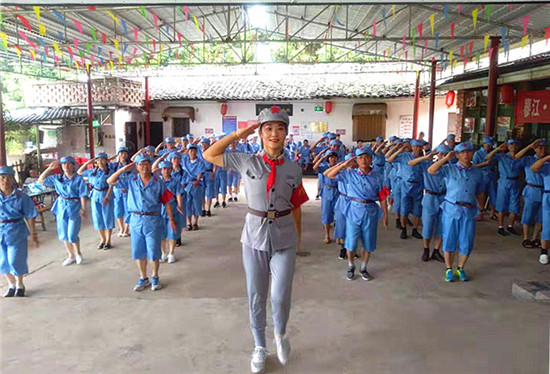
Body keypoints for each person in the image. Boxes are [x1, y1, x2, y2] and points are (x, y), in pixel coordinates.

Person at [203, 105, 309, 373]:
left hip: (285, 236)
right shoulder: (246, 161)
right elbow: (210, 154)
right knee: (256, 295)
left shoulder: (294, 169)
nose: (274, 133)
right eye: (268, 128)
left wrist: (298, 238)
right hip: (253, 236)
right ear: (261, 133)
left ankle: (280, 334)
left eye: (280, 128)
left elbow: (296, 204)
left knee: (281, 293)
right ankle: (259, 345)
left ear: (286, 133)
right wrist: (241, 133)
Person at [107, 154, 177, 291]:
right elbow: (110, 180)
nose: (144, 167)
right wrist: (123, 170)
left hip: (153, 220)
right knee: (139, 251)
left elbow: (167, 201)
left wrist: (172, 220)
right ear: (137, 167)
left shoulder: (158, 182)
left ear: (150, 166)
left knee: (153, 251)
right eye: (140, 164)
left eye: (146, 164)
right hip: (136, 220)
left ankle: (155, 277)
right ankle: (143, 278)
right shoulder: (131, 180)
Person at [324, 147, 389, 281]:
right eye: (360, 157)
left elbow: (382, 196)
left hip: (370, 210)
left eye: (366, 157)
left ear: (371, 159)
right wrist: (343, 164)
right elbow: (329, 175)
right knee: (351, 242)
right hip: (354, 210)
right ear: (356, 160)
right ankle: (351, 265)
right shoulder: (350, 173)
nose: (364, 160)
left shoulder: (378, 176)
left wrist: (385, 214)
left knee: (368, 242)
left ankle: (364, 267)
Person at [428, 142, 485, 282]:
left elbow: (480, 191)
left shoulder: (477, 172)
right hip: (451, 209)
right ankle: (448, 269)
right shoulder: (449, 169)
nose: (466, 155)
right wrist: (445, 158)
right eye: (462, 152)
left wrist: (481, 207)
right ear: (457, 155)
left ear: (472, 154)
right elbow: (431, 170)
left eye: (468, 152)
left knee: (467, 241)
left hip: (469, 210)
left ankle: (460, 268)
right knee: (449, 239)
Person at [38, 157, 88, 266]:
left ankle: (78, 253)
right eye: (64, 164)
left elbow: (83, 195)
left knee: (72, 234)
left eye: (69, 164)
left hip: (74, 206)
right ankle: (71, 255)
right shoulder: (57, 178)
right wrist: (50, 169)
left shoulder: (78, 179)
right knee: (64, 234)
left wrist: (83, 209)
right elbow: (41, 180)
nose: (66, 166)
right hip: (61, 206)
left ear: (73, 165)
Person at [0, 165, 39, 297]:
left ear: (13, 179)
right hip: (0, 231)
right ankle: (11, 285)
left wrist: (33, 234)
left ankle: (20, 284)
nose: (5, 180)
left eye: (9, 177)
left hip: (16, 231)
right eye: (2, 177)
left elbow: (30, 215)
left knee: (15, 259)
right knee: (2, 261)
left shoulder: (21, 197)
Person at [408, 145, 449, 262]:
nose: (443, 156)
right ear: (437, 155)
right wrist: (426, 157)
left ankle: (436, 250)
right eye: (441, 154)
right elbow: (411, 163)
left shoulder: (450, 168)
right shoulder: (427, 165)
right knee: (428, 226)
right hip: (430, 198)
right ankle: (426, 249)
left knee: (442, 227)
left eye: (446, 154)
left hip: (444, 198)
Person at [386, 138, 424, 240]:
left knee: (417, 209)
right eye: (416, 147)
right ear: (412, 147)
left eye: (420, 147)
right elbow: (389, 159)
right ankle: (403, 228)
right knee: (404, 207)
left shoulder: (424, 159)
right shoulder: (404, 156)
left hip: (419, 186)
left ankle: (415, 229)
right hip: (405, 184)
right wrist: (399, 149)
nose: (418, 149)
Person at [78, 153, 116, 249]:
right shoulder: (92, 172)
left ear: (106, 161)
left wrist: (107, 197)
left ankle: (108, 240)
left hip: (106, 194)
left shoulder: (110, 172)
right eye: (98, 160)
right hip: (95, 195)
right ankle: (102, 239)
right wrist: (88, 162)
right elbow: (79, 172)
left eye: (102, 160)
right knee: (97, 218)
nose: (100, 162)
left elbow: (111, 185)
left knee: (108, 217)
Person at [486, 139, 522, 236]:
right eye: (511, 145)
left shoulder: (520, 158)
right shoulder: (502, 156)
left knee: (514, 206)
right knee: (501, 205)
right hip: (504, 182)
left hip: (515, 182)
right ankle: (500, 227)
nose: (513, 146)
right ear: (508, 147)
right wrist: (498, 149)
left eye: (515, 145)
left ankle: (510, 226)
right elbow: (488, 157)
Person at [515, 139, 547, 248]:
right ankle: (526, 238)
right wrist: (529, 146)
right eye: (540, 147)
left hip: (545, 191)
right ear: (535, 149)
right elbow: (516, 156)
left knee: (541, 217)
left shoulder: (547, 161)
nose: (543, 150)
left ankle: (534, 238)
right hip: (532, 189)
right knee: (528, 215)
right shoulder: (529, 160)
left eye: (544, 147)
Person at [154, 160, 184, 263]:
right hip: (160, 211)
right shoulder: (157, 181)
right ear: (160, 170)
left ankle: (171, 253)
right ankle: (163, 253)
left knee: (172, 233)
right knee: (161, 234)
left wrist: (180, 205)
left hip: (173, 209)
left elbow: (179, 194)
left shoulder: (175, 181)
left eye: (168, 169)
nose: (166, 171)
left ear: (171, 169)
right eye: (164, 169)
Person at [313, 151, 339, 244]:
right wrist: (322, 157)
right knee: (326, 215)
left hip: (337, 193)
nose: (333, 159)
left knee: (338, 216)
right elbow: (315, 167)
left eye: (335, 157)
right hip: (327, 192)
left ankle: (337, 236)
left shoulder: (339, 168)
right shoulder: (324, 167)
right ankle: (327, 235)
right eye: (331, 157)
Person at [530, 151, 550, 264]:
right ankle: (544, 251)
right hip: (548, 196)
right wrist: (547, 158)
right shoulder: (547, 166)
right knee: (546, 224)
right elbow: (534, 168)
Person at [472, 137, 498, 220]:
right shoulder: (478, 153)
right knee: (481, 194)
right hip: (482, 174)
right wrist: (484, 163)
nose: (489, 146)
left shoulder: (493, 153)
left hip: (492, 174)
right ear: (483, 144)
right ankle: (480, 212)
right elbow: (474, 165)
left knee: (493, 194)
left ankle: (492, 212)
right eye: (487, 144)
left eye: (490, 145)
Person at [181, 143, 205, 230]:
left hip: (196, 185)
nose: (192, 152)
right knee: (187, 204)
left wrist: (197, 181)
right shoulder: (185, 160)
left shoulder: (200, 162)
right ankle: (189, 223)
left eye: (194, 150)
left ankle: (195, 223)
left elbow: (200, 173)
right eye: (191, 150)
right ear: (188, 151)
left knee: (196, 204)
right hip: (187, 184)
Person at [111, 147, 132, 237]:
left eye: (125, 153)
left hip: (128, 191)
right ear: (118, 154)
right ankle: (121, 228)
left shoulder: (130, 166)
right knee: (118, 210)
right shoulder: (114, 166)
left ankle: (126, 229)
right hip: (117, 191)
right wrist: (119, 186)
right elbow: (110, 178)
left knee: (128, 210)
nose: (123, 155)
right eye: (121, 153)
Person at [200, 138, 217, 217]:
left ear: (208, 144)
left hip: (209, 173)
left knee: (209, 193)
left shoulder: (212, 153)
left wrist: (214, 172)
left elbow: (215, 163)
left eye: (205, 144)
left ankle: (208, 209)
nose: (203, 145)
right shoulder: (199, 153)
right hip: (201, 174)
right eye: (202, 144)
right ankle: (203, 209)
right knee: (202, 192)